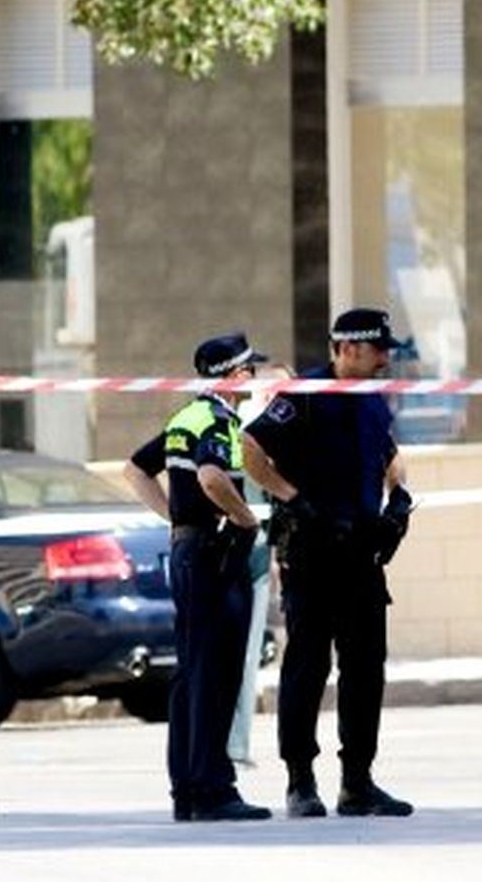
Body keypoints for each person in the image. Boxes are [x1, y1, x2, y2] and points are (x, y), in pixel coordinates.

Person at [242, 308, 417, 819]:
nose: (385, 359)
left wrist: (398, 498)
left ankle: (357, 783)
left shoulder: (372, 398)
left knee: (365, 669)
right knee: (308, 667)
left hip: (362, 553)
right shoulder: (305, 394)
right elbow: (251, 448)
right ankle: (300, 781)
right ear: (348, 348)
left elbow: (389, 453)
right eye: (378, 349)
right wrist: (292, 498)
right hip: (313, 553)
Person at [122, 332, 272, 822]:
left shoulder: (185, 417)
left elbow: (135, 470)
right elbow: (211, 477)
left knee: (192, 673)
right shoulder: (218, 420)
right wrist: (246, 519)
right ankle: (213, 789)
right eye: (250, 369)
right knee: (217, 672)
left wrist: (174, 518)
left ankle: (187, 789)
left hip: (189, 550)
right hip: (213, 554)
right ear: (235, 374)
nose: (253, 377)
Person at [226, 363, 293, 769]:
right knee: (240, 654)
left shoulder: (237, 421)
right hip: (244, 552)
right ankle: (231, 746)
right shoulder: (253, 424)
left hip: (250, 551)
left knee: (241, 653)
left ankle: (231, 744)